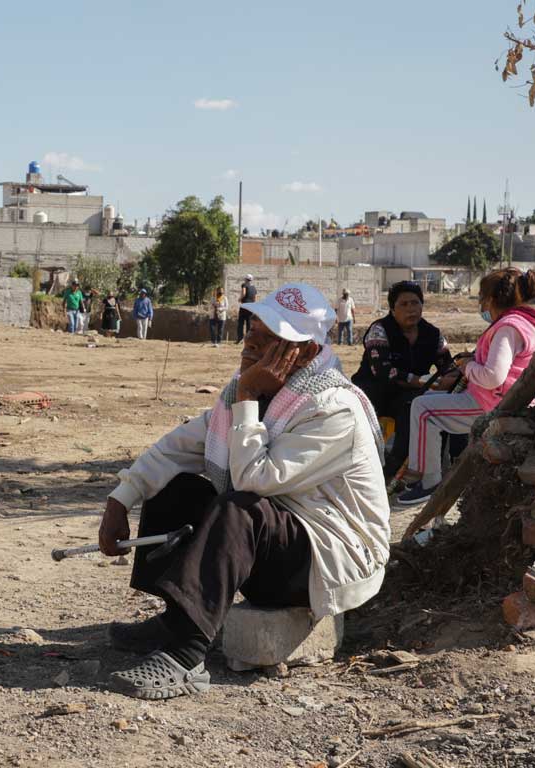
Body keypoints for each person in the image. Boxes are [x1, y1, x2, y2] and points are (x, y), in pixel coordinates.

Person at [99, 284, 390, 700]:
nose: (251, 341)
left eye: (270, 337)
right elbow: (178, 447)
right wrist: (120, 498)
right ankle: (175, 620)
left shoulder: (332, 408)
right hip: (281, 542)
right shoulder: (252, 393)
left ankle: (186, 656)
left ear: (305, 352)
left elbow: (255, 478)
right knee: (178, 487)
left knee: (240, 507)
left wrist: (249, 395)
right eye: (253, 327)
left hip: (330, 560)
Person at [397, 268, 535, 506]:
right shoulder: (526, 322)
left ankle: (428, 482)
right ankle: (434, 473)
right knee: (429, 402)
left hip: (496, 404)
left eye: (481, 297)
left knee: (423, 408)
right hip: (513, 400)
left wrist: (468, 366)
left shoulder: (507, 328)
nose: (480, 303)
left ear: (490, 299)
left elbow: (493, 376)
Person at [351, 281, 454, 481]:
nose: (411, 309)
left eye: (415, 303)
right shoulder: (379, 330)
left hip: (409, 394)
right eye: (404, 304)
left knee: (427, 405)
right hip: (374, 394)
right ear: (392, 309)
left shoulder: (433, 334)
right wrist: (425, 382)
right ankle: (390, 470)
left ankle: (436, 467)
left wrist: (451, 377)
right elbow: (384, 372)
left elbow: (448, 366)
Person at [236, 274, 257, 342]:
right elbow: (255, 298)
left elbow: (244, 293)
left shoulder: (244, 285)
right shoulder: (254, 287)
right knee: (249, 324)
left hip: (244, 306)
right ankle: (248, 339)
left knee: (241, 323)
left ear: (245, 279)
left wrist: (240, 298)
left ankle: (240, 338)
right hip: (250, 307)